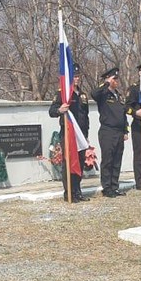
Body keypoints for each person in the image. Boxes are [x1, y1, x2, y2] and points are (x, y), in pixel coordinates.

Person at [50, 62, 91, 200]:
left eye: (78, 76)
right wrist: (59, 110)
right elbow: (51, 111)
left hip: (80, 135)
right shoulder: (63, 94)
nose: (77, 78)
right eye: (74, 76)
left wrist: (86, 135)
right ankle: (69, 193)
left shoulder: (83, 95)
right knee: (69, 163)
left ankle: (78, 191)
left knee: (79, 163)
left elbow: (86, 117)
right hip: (68, 134)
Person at [92, 66, 129, 194]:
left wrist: (125, 130)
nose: (116, 81)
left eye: (116, 79)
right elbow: (94, 94)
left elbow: (122, 113)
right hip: (107, 131)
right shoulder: (103, 94)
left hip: (119, 132)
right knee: (107, 160)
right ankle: (107, 188)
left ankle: (114, 186)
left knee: (117, 160)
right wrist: (106, 83)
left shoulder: (118, 95)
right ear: (108, 79)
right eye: (114, 79)